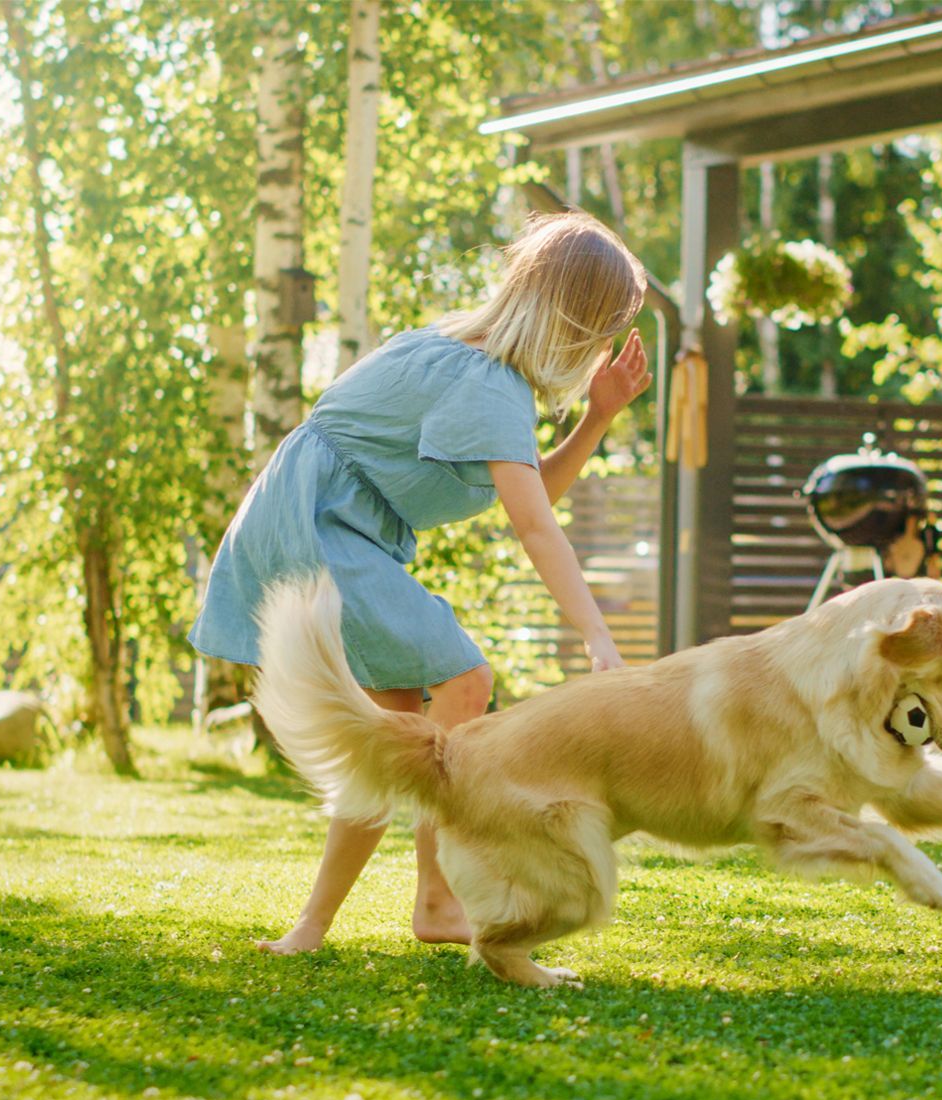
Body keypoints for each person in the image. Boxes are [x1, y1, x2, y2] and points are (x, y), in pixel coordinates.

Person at [190, 210, 652, 956]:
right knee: (463, 673)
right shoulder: (491, 384)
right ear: (576, 321)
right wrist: (597, 635)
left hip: (316, 521)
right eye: (605, 327)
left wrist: (596, 418)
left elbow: (529, 501)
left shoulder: (472, 361)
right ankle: (438, 901)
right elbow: (535, 529)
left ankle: (312, 929)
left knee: (397, 738)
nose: (602, 347)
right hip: (318, 526)